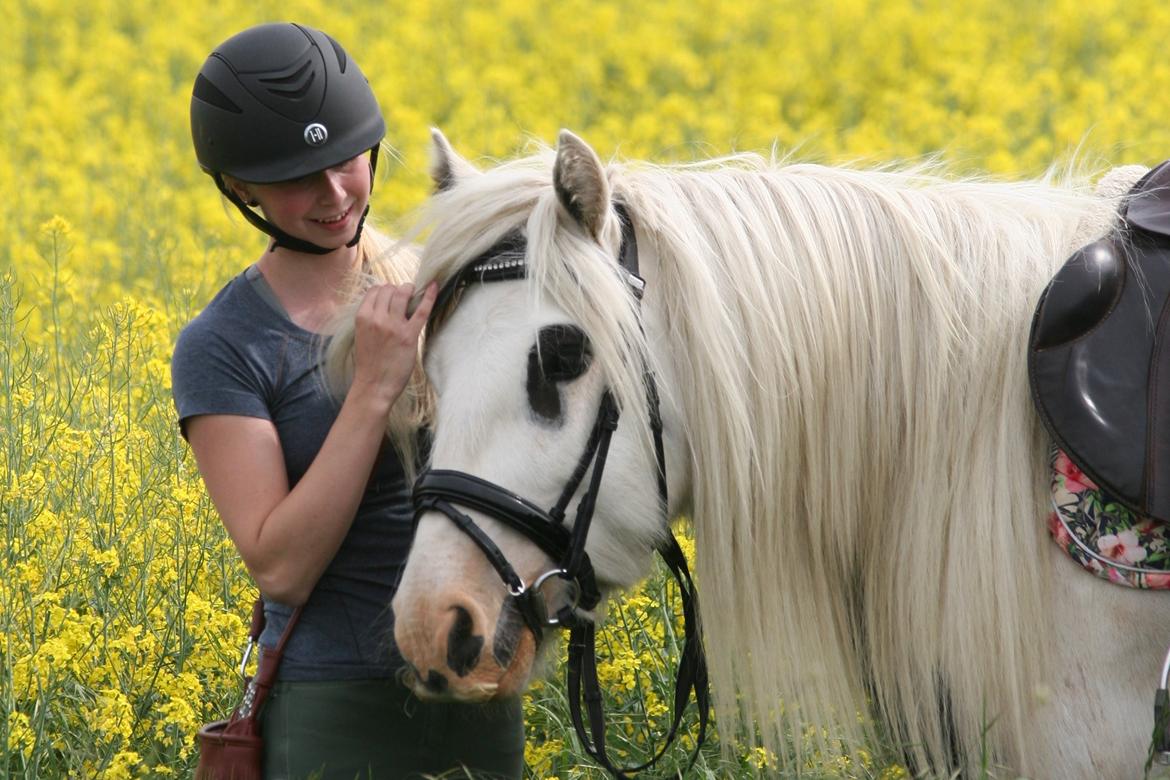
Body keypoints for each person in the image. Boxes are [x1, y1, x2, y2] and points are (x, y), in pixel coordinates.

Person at [173, 22, 524, 779]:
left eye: (346, 161)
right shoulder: (223, 343)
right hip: (333, 703)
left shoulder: (442, 287)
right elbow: (281, 569)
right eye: (299, 178)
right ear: (240, 189)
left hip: (475, 683)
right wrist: (372, 387)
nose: (334, 194)